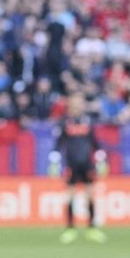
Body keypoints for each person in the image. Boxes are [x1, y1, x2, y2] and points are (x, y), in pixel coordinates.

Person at [50, 95, 107, 244]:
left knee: (90, 195)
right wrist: (54, 162)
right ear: (70, 105)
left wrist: (101, 160)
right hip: (71, 164)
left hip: (87, 164)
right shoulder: (64, 122)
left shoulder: (88, 121)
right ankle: (70, 228)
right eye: (75, 103)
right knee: (70, 196)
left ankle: (92, 228)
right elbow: (58, 144)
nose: (78, 106)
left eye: (80, 103)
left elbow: (95, 142)